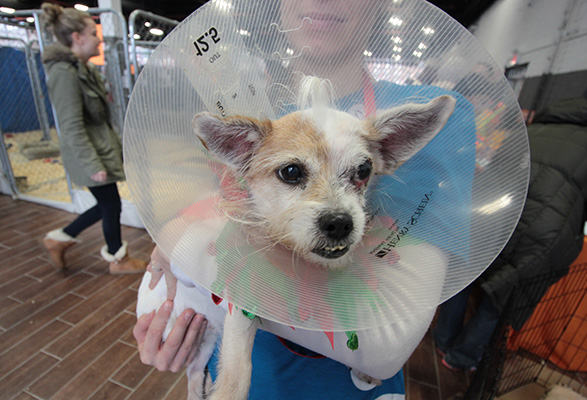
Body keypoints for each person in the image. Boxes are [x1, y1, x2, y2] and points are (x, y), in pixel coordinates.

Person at [133, 0, 477, 398]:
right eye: (292, 173)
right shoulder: (249, 110)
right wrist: (176, 329)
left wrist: (176, 237)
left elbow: (383, 343)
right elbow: (207, 208)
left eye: (360, 172)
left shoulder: (444, 121)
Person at [433, 82, 587, 372]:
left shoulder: (530, 130)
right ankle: (461, 357)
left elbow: (497, 168)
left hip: (496, 214)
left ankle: (442, 339)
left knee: (468, 273)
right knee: (504, 296)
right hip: (546, 230)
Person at [40, 3, 146, 274]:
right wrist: (92, 164)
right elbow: (71, 125)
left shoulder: (82, 69)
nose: (99, 37)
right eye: (93, 32)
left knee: (106, 204)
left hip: (100, 148)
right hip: (88, 154)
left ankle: (59, 239)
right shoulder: (64, 74)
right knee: (111, 203)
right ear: (77, 38)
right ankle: (117, 259)